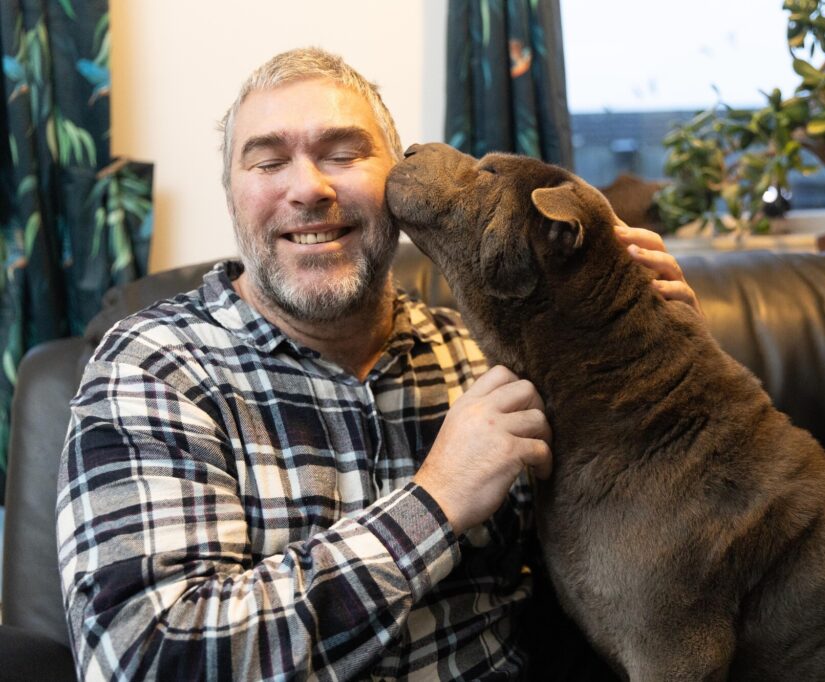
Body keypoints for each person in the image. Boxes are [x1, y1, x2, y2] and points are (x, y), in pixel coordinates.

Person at [56, 47, 701, 680]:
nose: (308, 188)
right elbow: (142, 657)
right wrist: (436, 500)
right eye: (268, 161)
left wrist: (656, 359)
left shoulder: (487, 358)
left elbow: (654, 564)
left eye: (343, 154)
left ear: (399, 182)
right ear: (232, 196)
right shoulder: (151, 369)